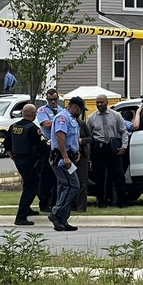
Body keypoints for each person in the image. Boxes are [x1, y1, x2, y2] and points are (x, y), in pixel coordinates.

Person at [48, 95, 84, 232]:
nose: (81, 112)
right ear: (75, 107)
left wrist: (76, 152)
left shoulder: (71, 119)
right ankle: (56, 213)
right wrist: (65, 157)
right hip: (61, 159)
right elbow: (60, 137)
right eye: (80, 109)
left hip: (68, 157)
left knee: (65, 187)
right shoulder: (62, 118)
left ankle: (62, 220)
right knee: (73, 186)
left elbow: (71, 138)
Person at [4, 103, 44, 225]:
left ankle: (27, 209)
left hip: (19, 160)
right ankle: (21, 216)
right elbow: (41, 146)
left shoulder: (13, 126)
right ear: (33, 114)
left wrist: (13, 157)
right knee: (31, 187)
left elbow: (6, 144)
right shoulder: (32, 128)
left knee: (30, 184)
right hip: (30, 162)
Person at [87, 94, 127, 207]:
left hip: (113, 147)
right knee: (100, 176)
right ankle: (102, 201)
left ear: (107, 102)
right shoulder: (91, 118)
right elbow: (89, 136)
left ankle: (121, 200)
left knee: (118, 174)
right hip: (98, 148)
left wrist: (124, 146)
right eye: (97, 102)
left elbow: (123, 131)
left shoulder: (116, 116)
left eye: (101, 102)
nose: (99, 105)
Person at [35, 89, 62, 212]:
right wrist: (60, 121)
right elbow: (46, 124)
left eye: (55, 99)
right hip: (47, 145)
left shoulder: (62, 110)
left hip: (59, 146)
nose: (53, 102)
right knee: (46, 176)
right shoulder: (42, 110)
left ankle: (56, 202)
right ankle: (44, 202)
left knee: (58, 177)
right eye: (50, 100)